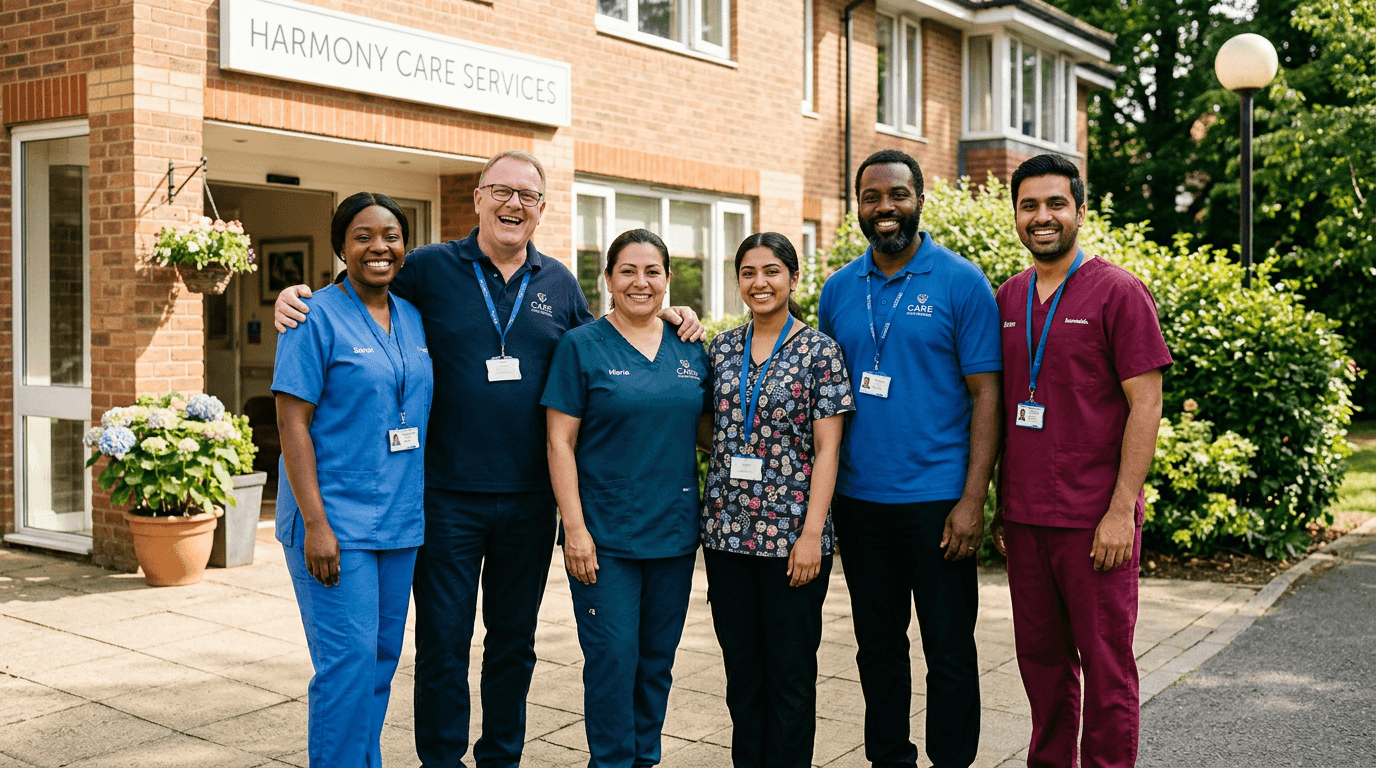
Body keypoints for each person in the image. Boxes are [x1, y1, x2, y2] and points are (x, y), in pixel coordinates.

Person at [273, 151, 703, 768]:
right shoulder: (428, 266)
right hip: (444, 496)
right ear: (477, 199)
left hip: (529, 501)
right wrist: (298, 294)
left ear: (542, 210)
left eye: (527, 197)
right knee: (443, 643)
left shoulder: (558, 282)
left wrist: (666, 311)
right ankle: (441, 758)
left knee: (513, 643)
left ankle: (501, 755)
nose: (513, 206)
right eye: (501, 192)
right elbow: (364, 284)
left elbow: (606, 338)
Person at [817, 149, 1003, 768]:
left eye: (896, 195)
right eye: (872, 198)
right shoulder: (840, 288)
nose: (885, 208)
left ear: (919, 198)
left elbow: (987, 395)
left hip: (939, 503)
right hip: (861, 502)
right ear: (858, 206)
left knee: (949, 649)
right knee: (878, 648)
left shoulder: (960, 281)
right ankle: (888, 757)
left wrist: (973, 500)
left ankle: (953, 760)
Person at [990, 154, 1171, 768]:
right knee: (1041, 666)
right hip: (1025, 515)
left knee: (1106, 667)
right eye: (1029, 205)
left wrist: (1123, 510)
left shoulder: (1119, 292)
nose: (1042, 217)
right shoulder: (1009, 296)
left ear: (1080, 211)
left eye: (1055, 204)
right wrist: (998, 504)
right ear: (1016, 215)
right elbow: (999, 405)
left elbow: (1146, 406)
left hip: (1095, 521)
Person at [272, 192, 433, 766]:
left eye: (390, 235)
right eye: (362, 236)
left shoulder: (412, 315)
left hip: (398, 522)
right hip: (334, 523)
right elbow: (292, 423)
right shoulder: (311, 316)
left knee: (382, 661)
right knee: (346, 668)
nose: (378, 247)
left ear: (405, 247)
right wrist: (316, 524)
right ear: (341, 247)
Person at [542, 229, 709, 768]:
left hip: (674, 531)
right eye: (628, 271)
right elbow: (559, 442)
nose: (641, 282)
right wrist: (575, 531)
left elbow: (709, 430)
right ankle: (612, 761)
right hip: (605, 537)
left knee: (656, 661)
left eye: (653, 272)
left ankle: (645, 758)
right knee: (613, 659)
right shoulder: (581, 346)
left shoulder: (689, 345)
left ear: (667, 279)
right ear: (608, 280)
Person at [699, 232, 854, 767]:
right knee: (742, 674)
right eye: (747, 272)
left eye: (771, 271)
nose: (759, 282)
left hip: (792, 538)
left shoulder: (820, 352)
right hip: (726, 536)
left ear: (793, 278)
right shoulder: (719, 348)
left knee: (789, 677)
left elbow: (828, 449)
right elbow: (707, 427)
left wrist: (812, 534)